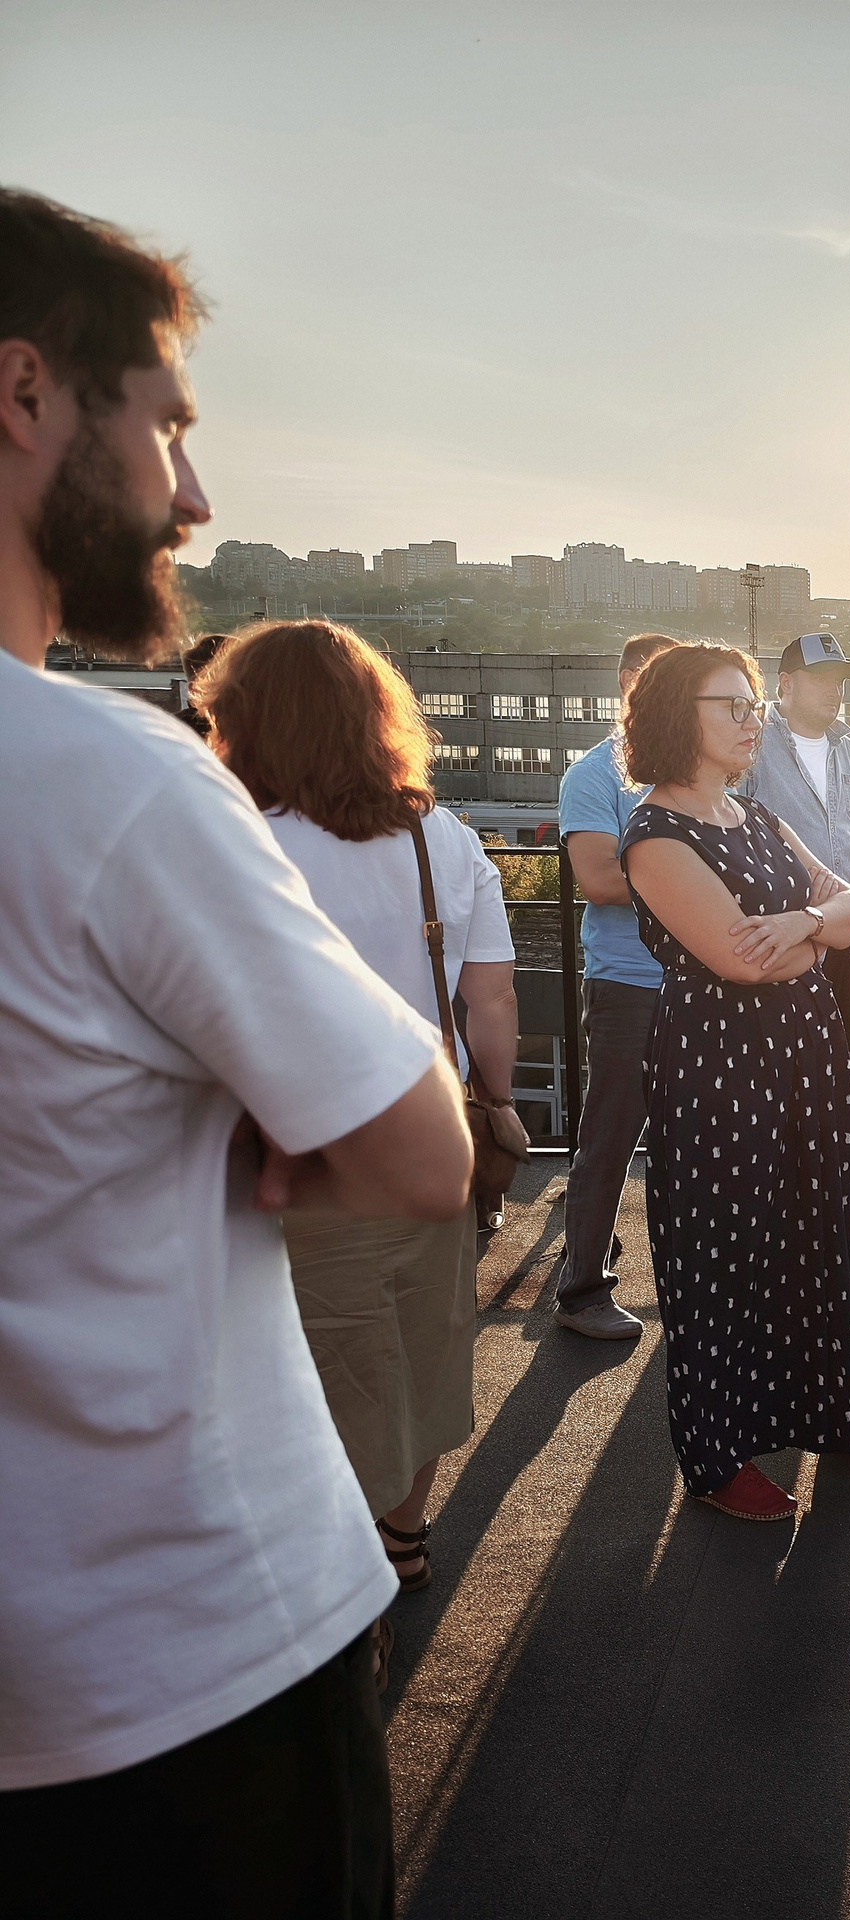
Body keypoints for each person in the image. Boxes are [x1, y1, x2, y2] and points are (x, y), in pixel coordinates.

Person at [0, 188, 471, 1916]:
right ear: (26, 393)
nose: (193, 498)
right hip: (184, 1655)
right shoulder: (107, 776)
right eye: (168, 428)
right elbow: (419, 1148)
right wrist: (248, 1122)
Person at [200, 619, 520, 1598]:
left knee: (326, 1365)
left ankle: (337, 1574)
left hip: (296, 1149)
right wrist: (494, 1100)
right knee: (423, 1347)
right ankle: (406, 1536)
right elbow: (492, 1000)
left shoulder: (239, 840)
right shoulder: (443, 837)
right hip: (430, 1138)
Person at [617, 642, 850, 1520]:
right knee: (728, 1250)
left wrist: (800, 920)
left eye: (754, 705)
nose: (754, 721)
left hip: (806, 1061)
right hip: (720, 1071)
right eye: (734, 706)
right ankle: (719, 1456)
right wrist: (814, 935)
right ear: (681, 717)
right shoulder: (653, 836)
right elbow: (737, 963)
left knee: (827, 1229)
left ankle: (849, 1412)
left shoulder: (753, 818)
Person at [552, 629, 681, 1339]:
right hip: (628, 984)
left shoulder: (700, 777)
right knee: (609, 1138)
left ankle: (697, 1283)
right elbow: (599, 878)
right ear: (629, 681)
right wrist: (692, 883)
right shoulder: (594, 775)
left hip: (702, 982)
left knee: (697, 1141)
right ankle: (582, 1291)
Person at [740, 631, 850, 1091]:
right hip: (782, 943)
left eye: (841, 680)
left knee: (843, 1077)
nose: (835, 689)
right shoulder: (752, 748)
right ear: (784, 683)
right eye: (821, 676)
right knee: (781, 1081)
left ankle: (837, 1166)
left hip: (847, 943)